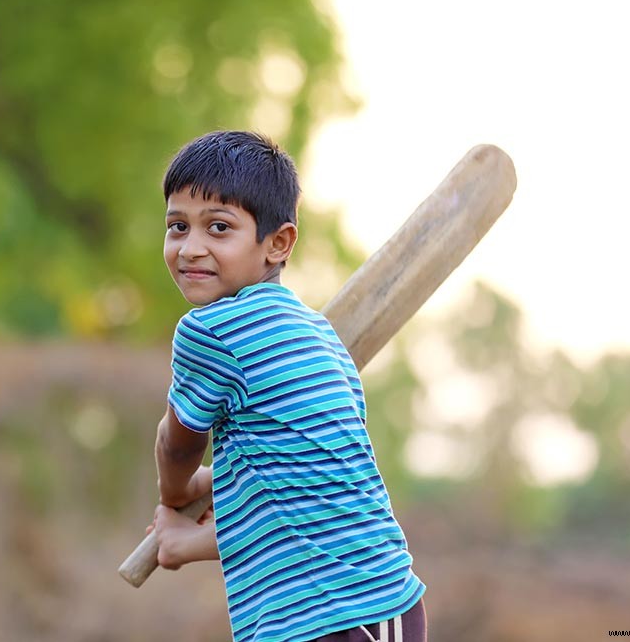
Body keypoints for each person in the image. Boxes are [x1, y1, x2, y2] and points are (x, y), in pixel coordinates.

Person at [151, 131, 427, 642]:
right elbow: (297, 498)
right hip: (380, 606)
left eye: (218, 228)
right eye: (176, 226)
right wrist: (207, 503)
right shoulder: (319, 335)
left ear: (278, 243)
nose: (190, 248)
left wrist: (178, 494)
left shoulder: (210, 330)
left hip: (325, 617)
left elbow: (177, 442)